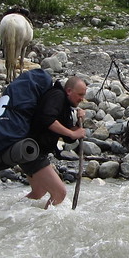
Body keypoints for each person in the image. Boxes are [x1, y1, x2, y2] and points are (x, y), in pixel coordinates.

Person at [22, 75, 88, 207]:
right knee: (59, 193)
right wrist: (72, 132)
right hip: (31, 151)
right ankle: (41, 226)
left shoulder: (66, 106)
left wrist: (78, 123)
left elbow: (69, 138)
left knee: (38, 192)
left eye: (83, 95)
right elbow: (47, 119)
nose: (82, 99)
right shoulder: (57, 96)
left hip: (29, 151)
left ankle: (11, 214)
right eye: (80, 95)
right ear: (69, 91)